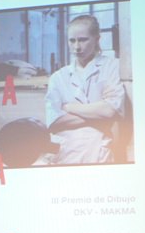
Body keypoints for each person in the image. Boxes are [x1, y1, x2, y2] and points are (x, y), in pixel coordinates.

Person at [44, 15, 125, 165]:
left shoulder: (112, 66)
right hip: (64, 150)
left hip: (98, 149)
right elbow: (54, 122)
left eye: (82, 40)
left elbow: (110, 111)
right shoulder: (58, 77)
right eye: (72, 40)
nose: (76, 47)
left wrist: (69, 107)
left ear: (96, 39)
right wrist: (97, 114)